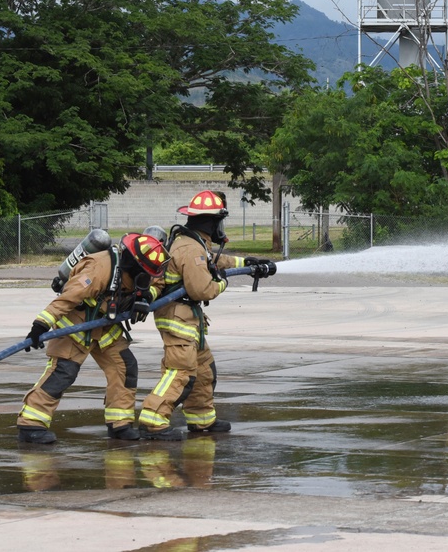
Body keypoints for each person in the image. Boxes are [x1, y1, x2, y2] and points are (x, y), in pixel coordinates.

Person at [138, 190, 273, 441]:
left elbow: (214, 261)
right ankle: (153, 418)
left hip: (188, 320)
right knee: (181, 372)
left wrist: (247, 263)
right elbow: (201, 289)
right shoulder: (190, 248)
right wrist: (222, 283)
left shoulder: (193, 242)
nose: (220, 227)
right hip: (178, 320)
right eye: (219, 221)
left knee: (203, 370)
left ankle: (201, 418)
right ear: (210, 222)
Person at [16, 232, 171, 444]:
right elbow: (69, 297)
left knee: (124, 366)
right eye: (144, 274)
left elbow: (158, 282)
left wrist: (145, 297)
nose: (148, 278)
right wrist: (40, 324)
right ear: (134, 266)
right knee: (63, 372)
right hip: (77, 324)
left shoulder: (144, 270)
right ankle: (31, 424)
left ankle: (120, 423)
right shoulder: (99, 269)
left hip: (106, 326)